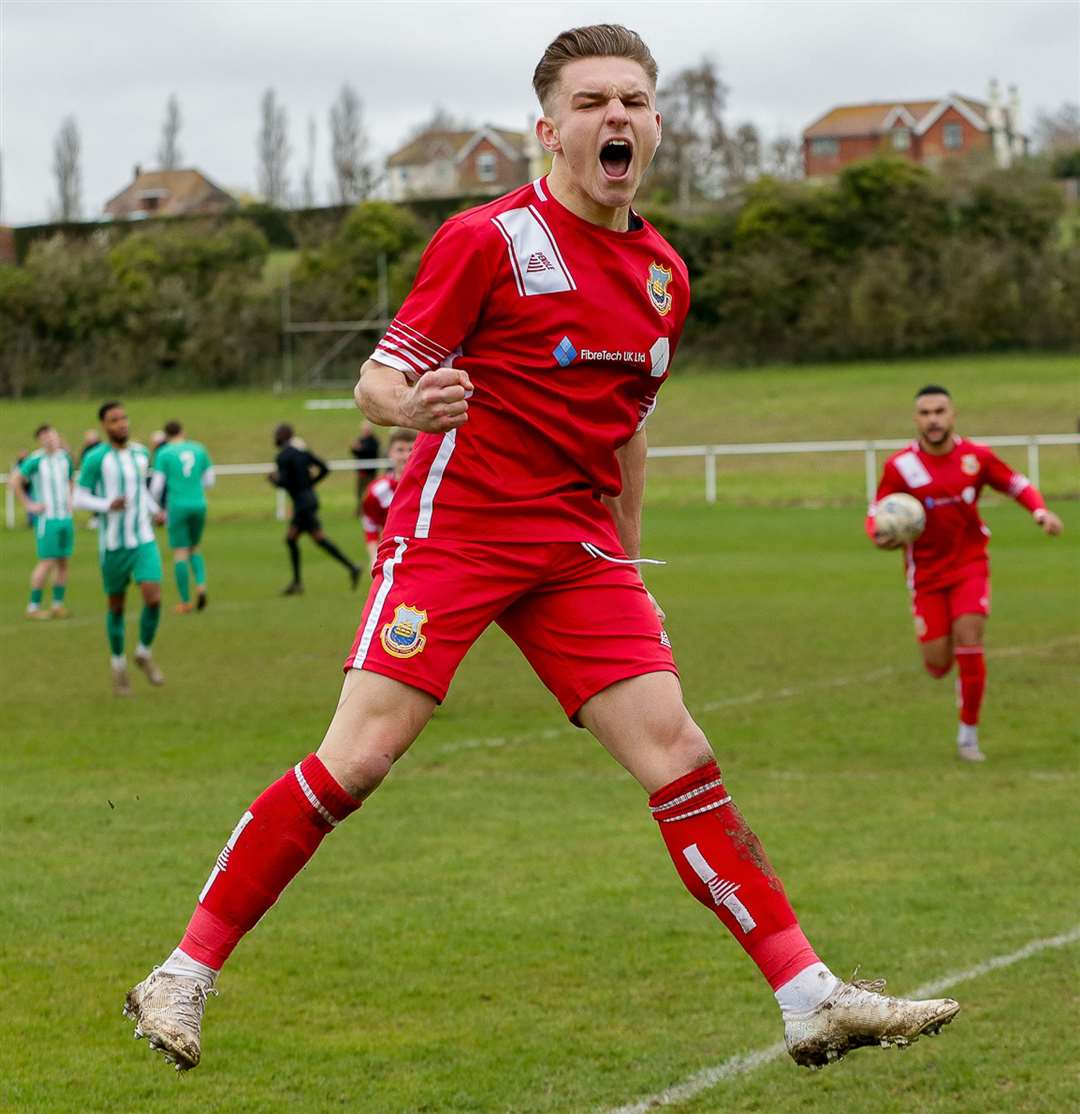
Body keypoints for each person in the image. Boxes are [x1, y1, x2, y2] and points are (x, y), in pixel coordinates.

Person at [124, 25, 958, 1075]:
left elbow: (628, 430)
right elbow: (380, 380)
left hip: (573, 542)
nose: (617, 116)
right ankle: (182, 973)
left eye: (635, 100)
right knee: (361, 757)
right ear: (550, 128)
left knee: (680, 752)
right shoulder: (485, 239)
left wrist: (631, 567)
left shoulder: (664, 277)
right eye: (594, 100)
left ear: (654, 125)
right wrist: (409, 404)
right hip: (458, 526)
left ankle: (808, 997)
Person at [868, 385, 1063, 761]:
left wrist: (1040, 512)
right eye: (925, 413)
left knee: (970, 638)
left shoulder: (975, 457)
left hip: (970, 564)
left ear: (953, 415)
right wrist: (878, 535)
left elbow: (1015, 483)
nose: (933, 419)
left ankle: (968, 735)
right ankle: (945, 655)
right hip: (925, 574)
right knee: (939, 664)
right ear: (916, 419)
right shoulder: (900, 467)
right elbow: (877, 512)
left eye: (940, 411)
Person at [74, 401, 167, 695]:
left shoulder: (140, 454)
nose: (122, 423)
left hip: (143, 539)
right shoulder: (96, 459)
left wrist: (155, 510)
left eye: (124, 418)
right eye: (115, 420)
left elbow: (139, 490)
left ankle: (143, 652)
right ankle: (118, 666)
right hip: (113, 545)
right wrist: (106, 505)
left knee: (153, 597)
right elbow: (77, 497)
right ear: (105, 426)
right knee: (116, 606)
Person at [269, 423, 361, 595]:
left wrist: (272, 480)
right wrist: (311, 484)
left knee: (292, 539)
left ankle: (298, 583)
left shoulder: (282, 457)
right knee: (316, 539)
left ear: (281, 436)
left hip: (302, 505)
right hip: (310, 501)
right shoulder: (302, 452)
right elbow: (325, 468)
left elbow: (285, 482)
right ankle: (351, 568)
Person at [150, 420, 216, 614]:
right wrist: (195, 488)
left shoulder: (164, 453)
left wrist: (157, 509)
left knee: (180, 551)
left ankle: (185, 601)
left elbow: (156, 486)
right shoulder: (199, 449)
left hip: (177, 505)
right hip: (199, 503)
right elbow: (210, 480)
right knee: (195, 547)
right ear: (183, 431)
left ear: (166, 435)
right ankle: (201, 586)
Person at [15, 424, 75, 620]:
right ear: (40, 441)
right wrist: (29, 504)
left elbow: (70, 480)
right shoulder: (35, 460)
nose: (49, 439)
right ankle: (33, 607)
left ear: (57, 436)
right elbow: (15, 481)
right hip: (47, 520)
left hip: (65, 518)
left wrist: (71, 500)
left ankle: (57, 605)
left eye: (51, 435)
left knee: (64, 562)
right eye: (44, 437)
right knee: (46, 562)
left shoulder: (64, 458)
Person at [360, 427, 416, 567]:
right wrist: (373, 557)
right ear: (390, 453)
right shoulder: (377, 491)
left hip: (425, 559)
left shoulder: (432, 487)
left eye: (411, 449)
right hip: (392, 561)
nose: (406, 455)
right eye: (400, 450)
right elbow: (370, 525)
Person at [349, 420, 381, 515]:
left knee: (369, 492)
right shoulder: (361, 440)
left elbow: (370, 452)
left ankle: (370, 511)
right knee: (359, 492)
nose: (365, 432)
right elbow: (356, 453)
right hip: (361, 471)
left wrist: (359, 448)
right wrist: (355, 448)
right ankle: (360, 510)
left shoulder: (374, 441)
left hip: (370, 472)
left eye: (366, 430)